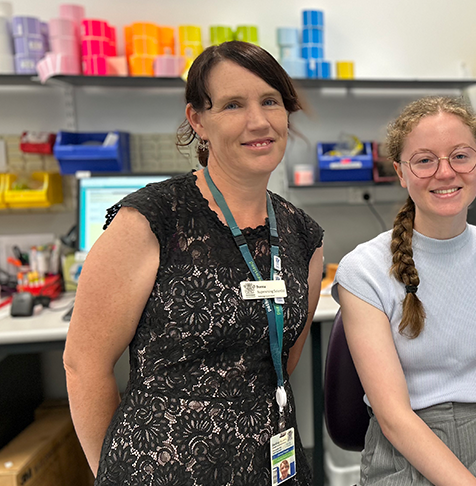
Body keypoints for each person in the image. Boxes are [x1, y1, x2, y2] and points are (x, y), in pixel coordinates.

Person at [64, 41, 323, 486]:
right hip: (160, 469)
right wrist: (114, 475)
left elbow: (280, 360)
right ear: (198, 120)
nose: (258, 121)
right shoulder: (150, 220)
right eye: (233, 105)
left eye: (270, 101)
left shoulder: (303, 237)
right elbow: (83, 365)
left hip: (272, 466)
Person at [332, 96, 476, 486]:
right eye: (424, 160)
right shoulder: (363, 270)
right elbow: (394, 417)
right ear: (401, 173)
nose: (445, 172)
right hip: (403, 453)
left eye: (460, 156)